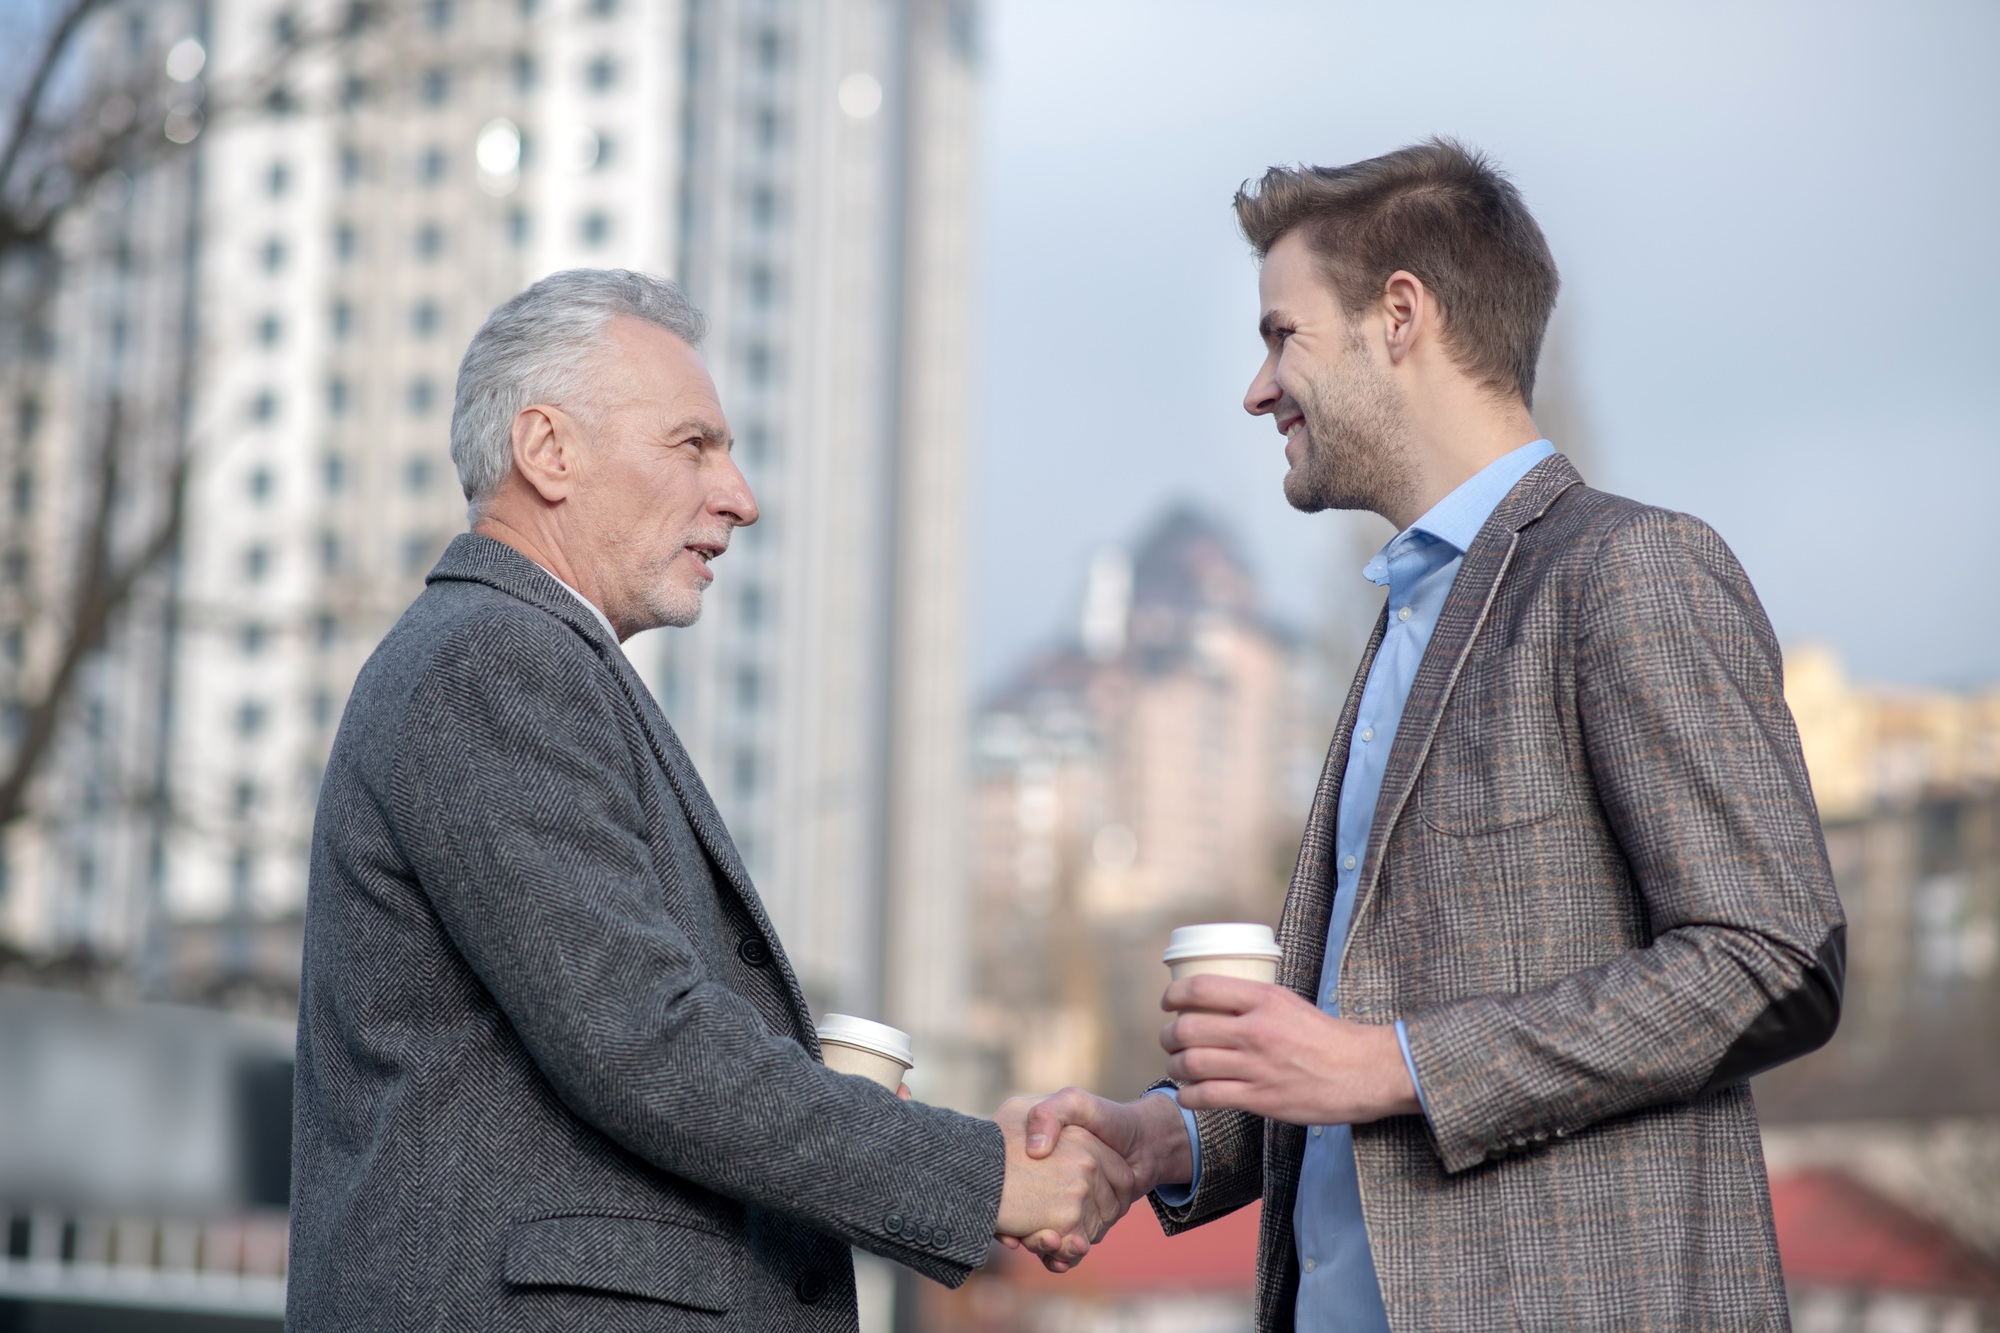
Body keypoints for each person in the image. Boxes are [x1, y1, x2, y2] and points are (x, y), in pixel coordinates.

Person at [1025, 139, 1846, 1331]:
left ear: (1398, 315)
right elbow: (1354, 1047)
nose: (1257, 389)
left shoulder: (1627, 569)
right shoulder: (1407, 617)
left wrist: (1388, 1064)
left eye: (1281, 336)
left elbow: (1772, 957)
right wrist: (1170, 1136)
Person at [287, 269, 1132, 1331]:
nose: (740, 495)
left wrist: (859, 1122)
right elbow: (644, 1042)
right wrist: (984, 1175)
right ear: (547, 450)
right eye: (694, 444)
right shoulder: (496, 660)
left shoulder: (516, 658)